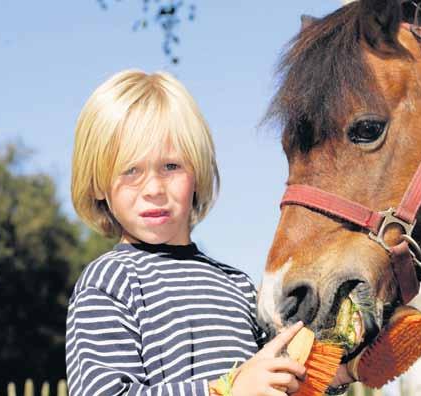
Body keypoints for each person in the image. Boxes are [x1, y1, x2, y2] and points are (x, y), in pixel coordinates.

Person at [65, 69, 307, 396]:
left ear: (198, 171)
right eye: (131, 170)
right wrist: (223, 390)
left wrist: (339, 368)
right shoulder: (110, 282)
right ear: (98, 184)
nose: (153, 188)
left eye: (171, 166)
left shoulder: (237, 285)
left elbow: (279, 380)